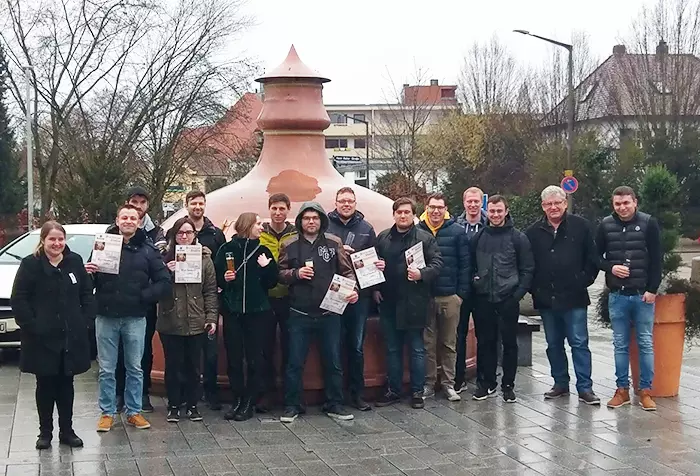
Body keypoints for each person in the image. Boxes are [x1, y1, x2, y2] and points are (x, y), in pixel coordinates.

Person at [86, 204, 172, 432]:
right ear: (117, 219)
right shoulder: (102, 245)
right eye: (124, 217)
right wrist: (89, 274)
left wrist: (142, 297)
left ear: (139, 221)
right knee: (106, 368)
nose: (128, 221)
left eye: (133, 218)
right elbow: (89, 283)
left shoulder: (148, 249)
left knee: (135, 367)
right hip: (106, 316)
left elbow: (164, 282)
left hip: (135, 317)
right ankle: (107, 412)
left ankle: (134, 411)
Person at [11, 221, 95, 449]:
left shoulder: (74, 261)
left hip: (70, 337)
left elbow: (86, 293)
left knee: (67, 385)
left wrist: (86, 321)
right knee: (45, 385)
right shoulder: (31, 264)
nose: (57, 244)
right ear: (43, 241)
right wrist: (33, 325)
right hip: (41, 338)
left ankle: (67, 431)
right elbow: (19, 299)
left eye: (60, 239)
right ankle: (45, 432)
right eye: (52, 239)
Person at [277, 202, 359, 423]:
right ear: (300, 221)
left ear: (322, 220)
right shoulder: (289, 243)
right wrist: (295, 273)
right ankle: (292, 405)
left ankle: (335, 404)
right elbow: (280, 273)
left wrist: (353, 291)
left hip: (329, 313)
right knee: (294, 362)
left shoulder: (334, 242)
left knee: (333, 361)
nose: (311, 222)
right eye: (306, 218)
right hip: (299, 313)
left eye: (315, 218)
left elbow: (347, 272)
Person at [526, 186, 600, 405]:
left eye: (557, 203)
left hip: (575, 297)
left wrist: (583, 281)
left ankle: (585, 388)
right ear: (543, 207)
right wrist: (534, 288)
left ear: (565, 203)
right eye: (548, 204)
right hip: (546, 298)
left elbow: (592, 259)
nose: (553, 207)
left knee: (579, 343)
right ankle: (560, 384)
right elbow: (527, 265)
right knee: (553, 343)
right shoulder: (533, 232)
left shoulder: (581, 226)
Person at [596, 186, 662, 411]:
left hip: (642, 296)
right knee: (620, 345)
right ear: (613, 205)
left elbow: (656, 259)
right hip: (617, 296)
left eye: (626, 203)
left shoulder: (648, 223)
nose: (622, 207)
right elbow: (594, 256)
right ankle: (621, 389)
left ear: (635, 202)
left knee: (645, 343)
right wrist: (610, 267)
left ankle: (645, 391)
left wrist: (652, 289)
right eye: (617, 204)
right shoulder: (605, 225)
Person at [374, 197, 443, 409]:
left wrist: (421, 274)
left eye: (406, 212)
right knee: (393, 349)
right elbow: (372, 266)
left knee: (417, 349)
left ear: (413, 214)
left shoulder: (424, 238)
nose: (402, 216)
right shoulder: (383, 237)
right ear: (393, 214)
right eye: (399, 212)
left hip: (415, 302)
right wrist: (375, 287)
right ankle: (393, 390)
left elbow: (438, 263)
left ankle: (417, 392)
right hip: (389, 302)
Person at [471, 195, 534, 403]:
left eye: (499, 211)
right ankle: (485, 383)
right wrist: (475, 285)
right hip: (483, 298)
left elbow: (527, 269)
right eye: (492, 211)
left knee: (509, 343)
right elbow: (471, 266)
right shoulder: (479, 237)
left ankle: (508, 385)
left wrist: (517, 295)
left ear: (506, 211)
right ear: (486, 212)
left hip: (508, 298)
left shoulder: (518, 237)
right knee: (485, 343)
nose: (495, 215)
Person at [215, 213, 278, 421]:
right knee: (233, 359)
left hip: (257, 313)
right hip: (233, 312)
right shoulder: (226, 250)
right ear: (247, 225)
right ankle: (237, 399)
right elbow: (216, 279)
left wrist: (267, 267)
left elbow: (272, 282)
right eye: (258, 223)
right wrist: (224, 279)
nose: (262, 227)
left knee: (254, 359)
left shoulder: (263, 251)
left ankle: (250, 401)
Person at [158, 217, 218, 423]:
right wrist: (167, 272)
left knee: (194, 366)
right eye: (180, 233)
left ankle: (193, 405)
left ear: (195, 235)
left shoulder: (204, 258)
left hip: (196, 319)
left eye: (188, 233)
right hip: (171, 318)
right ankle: (173, 405)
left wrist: (211, 317)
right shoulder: (164, 258)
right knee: (173, 366)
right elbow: (155, 287)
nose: (184, 236)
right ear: (174, 236)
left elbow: (210, 290)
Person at [115, 186, 166, 413]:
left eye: (142, 202)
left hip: (142, 305)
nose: (138, 205)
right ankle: (119, 394)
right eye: (134, 201)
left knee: (143, 351)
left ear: (147, 206)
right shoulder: (111, 233)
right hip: (114, 303)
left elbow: (160, 267)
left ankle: (142, 394)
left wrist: (146, 295)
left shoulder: (157, 233)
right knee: (117, 353)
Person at [327, 187, 377, 411]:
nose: (346, 204)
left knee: (356, 347)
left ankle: (357, 394)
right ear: (335, 203)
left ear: (355, 203)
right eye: (342, 201)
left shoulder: (366, 228)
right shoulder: (326, 226)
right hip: (334, 293)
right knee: (334, 346)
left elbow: (375, 259)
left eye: (350, 201)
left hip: (360, 294)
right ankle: (335, 396)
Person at [418, 193, 470, 402]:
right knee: (427, 344)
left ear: (446, 209)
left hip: (450, 296)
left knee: (449, 343)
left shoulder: (457, 232)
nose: (436, 211)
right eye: (432, 207)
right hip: (425, 296)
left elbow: (465, 265)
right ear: (426, 208)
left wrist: (460, 295)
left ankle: (449, 384)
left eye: (440, 207)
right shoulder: (418, 231)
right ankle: (429, 384)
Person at [182, 190, 226, 410]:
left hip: (208, 297)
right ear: (186, 205)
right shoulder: (178, 231)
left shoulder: (215, 233)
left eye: (200, 203)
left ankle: (210, 391)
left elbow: (223, 262)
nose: (197, 207)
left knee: (210, 349)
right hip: (183, 299)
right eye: (193, 203)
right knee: (186, 351)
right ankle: (187, 392)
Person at [259, 193, 296, 404]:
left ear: (288, 210)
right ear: (269, 209)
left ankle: (287, 394)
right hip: (266, 298)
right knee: (266, 348)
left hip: (290, 298)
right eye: (274, 208)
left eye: (282, 208)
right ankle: (266, 393)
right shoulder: (261, 233)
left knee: (290, 348)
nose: (278, 213)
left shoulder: (295, 234)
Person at [454, 186, 487, 393]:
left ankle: (484, 377)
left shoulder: (490, 224)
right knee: (459, 333)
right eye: (469, 201)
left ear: (481, 202)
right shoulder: (456, 226)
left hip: (484, 288)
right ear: (464, 202)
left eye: (476, 201)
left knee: (484, 334)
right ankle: (459, 377)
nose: (473, 205)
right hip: (461, 287)